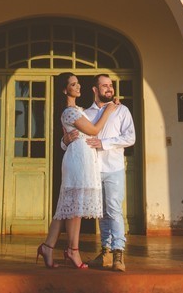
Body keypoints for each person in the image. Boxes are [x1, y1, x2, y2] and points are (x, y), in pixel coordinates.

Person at [36, 73, 118, 269]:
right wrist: (108, 110)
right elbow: (93, 130)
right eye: (73, 84)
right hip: (77, 161)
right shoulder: (70, 112)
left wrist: (66, 140)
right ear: (66, 90)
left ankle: (48, 247)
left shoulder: (78, 110)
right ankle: (72, 251)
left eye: (78, 83)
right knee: (74, 206)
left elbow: (76, 136)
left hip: (84, 158)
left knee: (67, 207)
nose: (78, 86)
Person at [62, 73, 135, 272]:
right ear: (95, 90)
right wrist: (64, 141)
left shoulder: (121, 110)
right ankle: (106, 253)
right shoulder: (86, 113)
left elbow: (130, 137)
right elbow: (73, 136)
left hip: (113, 168)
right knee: (101, 214)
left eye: (110, 85)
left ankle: (119, 254)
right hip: (92, 170)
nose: (109, 89)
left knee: (114, 210)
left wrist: (104, 143)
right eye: (104, 86)